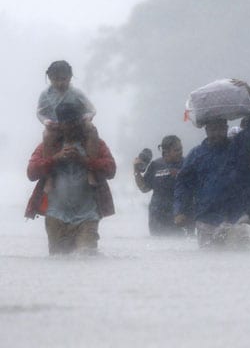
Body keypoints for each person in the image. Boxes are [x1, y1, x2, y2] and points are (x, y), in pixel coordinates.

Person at [173, 80, 250, 248]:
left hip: (238, 217)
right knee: (209, 262)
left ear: (226, 127)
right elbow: (183, 184)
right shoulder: (196, 155)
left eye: (220, 129)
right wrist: (180, 210)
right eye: (212, 129)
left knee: (241, 261)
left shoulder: (240, 148)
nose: (216, 133)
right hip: (206, 220)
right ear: (206, 130)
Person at [25, 102, 116, 255]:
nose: (72, 127)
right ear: (60, 124)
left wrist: (85, 161)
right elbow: (31, 173)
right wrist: (55, 159)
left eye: (75, 122)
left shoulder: (95, 144)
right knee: (58, 263)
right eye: (67, 123)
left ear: (81, 122)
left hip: (87, 216)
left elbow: (111, 170)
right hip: (56, 216)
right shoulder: (48, 146)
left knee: (87, 258)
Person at [37, 60, 99, 191]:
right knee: (46, 134)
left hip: (77, 125)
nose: (60, 83)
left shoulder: (76, 93)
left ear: (70, 77)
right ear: (49, 78)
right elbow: (40, 113)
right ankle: (49, 177)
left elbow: (92, 109)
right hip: (57, 127)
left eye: (63, 79)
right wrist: (45, 122)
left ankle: (91, 171)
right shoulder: (46, 94)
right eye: (55, 79)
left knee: (92, 130)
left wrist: (87, 118)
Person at [134, 135, 187, 236]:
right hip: (157, 215)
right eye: (176, 150)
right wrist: (136, 170)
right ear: (165, 151)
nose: (180, 152)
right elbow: (144, 188)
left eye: (181, 149)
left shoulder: (187, 163)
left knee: (181, 246)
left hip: (180, 215)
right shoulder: (155, 165)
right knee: (159, 246)